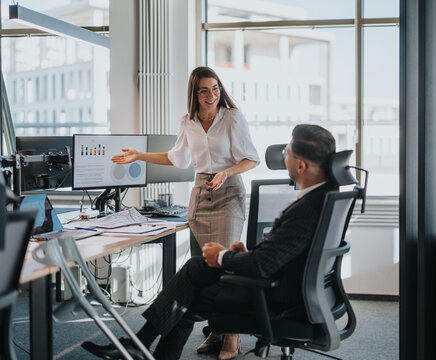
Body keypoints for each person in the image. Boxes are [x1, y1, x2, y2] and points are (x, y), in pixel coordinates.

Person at [82, 124, 337, 360]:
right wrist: (244, 254)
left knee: (185, 299)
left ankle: (137, 345)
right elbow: (289, 253)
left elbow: (264, 265)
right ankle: (138, 345)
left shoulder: (307, 208)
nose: (284, 156)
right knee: (192, 275)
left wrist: (223, 257)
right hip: (286, 286)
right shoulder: (325, 198)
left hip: (274, 297)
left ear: (301, 166)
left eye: (287, 152)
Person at [109, 66, 259, 357]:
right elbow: (178, 158)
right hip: (201, 192)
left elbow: (251, 159)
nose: (211, 95)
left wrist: (226, 173)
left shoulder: (232, 117)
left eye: (215, 88)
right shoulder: (188, 121)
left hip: (229, 192)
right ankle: (216, 331)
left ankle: (232, 336)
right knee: (202, 272)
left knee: (224, 267)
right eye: (204, 90)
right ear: (194, 93)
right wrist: (139, 155)